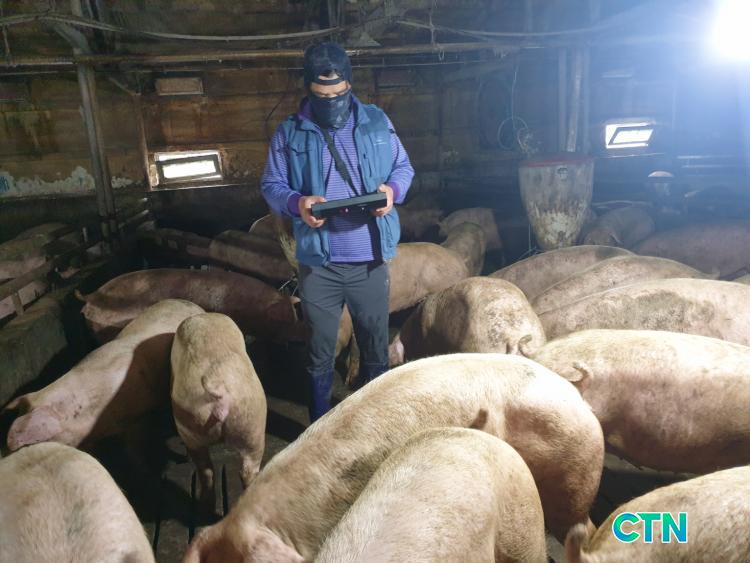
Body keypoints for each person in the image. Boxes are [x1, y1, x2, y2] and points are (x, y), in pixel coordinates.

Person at [260, 42, 414, 421]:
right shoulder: (290, 132)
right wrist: (298, 203)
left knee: (375, 349)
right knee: (320, 353)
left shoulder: (376, 122)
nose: (331, 102)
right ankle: (320, 427)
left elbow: (403, 168)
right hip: (320, 265)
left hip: (370, 262)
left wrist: (391, 192)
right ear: (308, 88)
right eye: (322, 96)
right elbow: (271, 185)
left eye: (339, 94)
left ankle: (376, 424)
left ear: (349, 84)